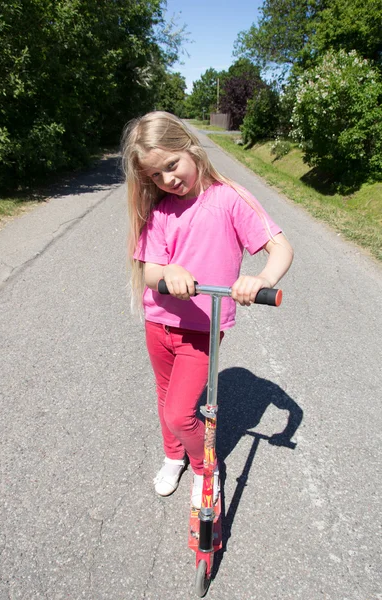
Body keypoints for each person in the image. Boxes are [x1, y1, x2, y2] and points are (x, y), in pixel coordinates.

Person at [122, 111, 293, 508]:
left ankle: (205, 467)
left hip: (201, 327)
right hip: (158, 322)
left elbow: (281, 247)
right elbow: (149, 272)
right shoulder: (162, 210)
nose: (168, 180)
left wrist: (262, 280)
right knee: (165, 398)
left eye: (172, 165)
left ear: (190, 147)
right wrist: (170, 270)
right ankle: (173, 455)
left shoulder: (229, 198)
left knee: (182, 412)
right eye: (156, 176)